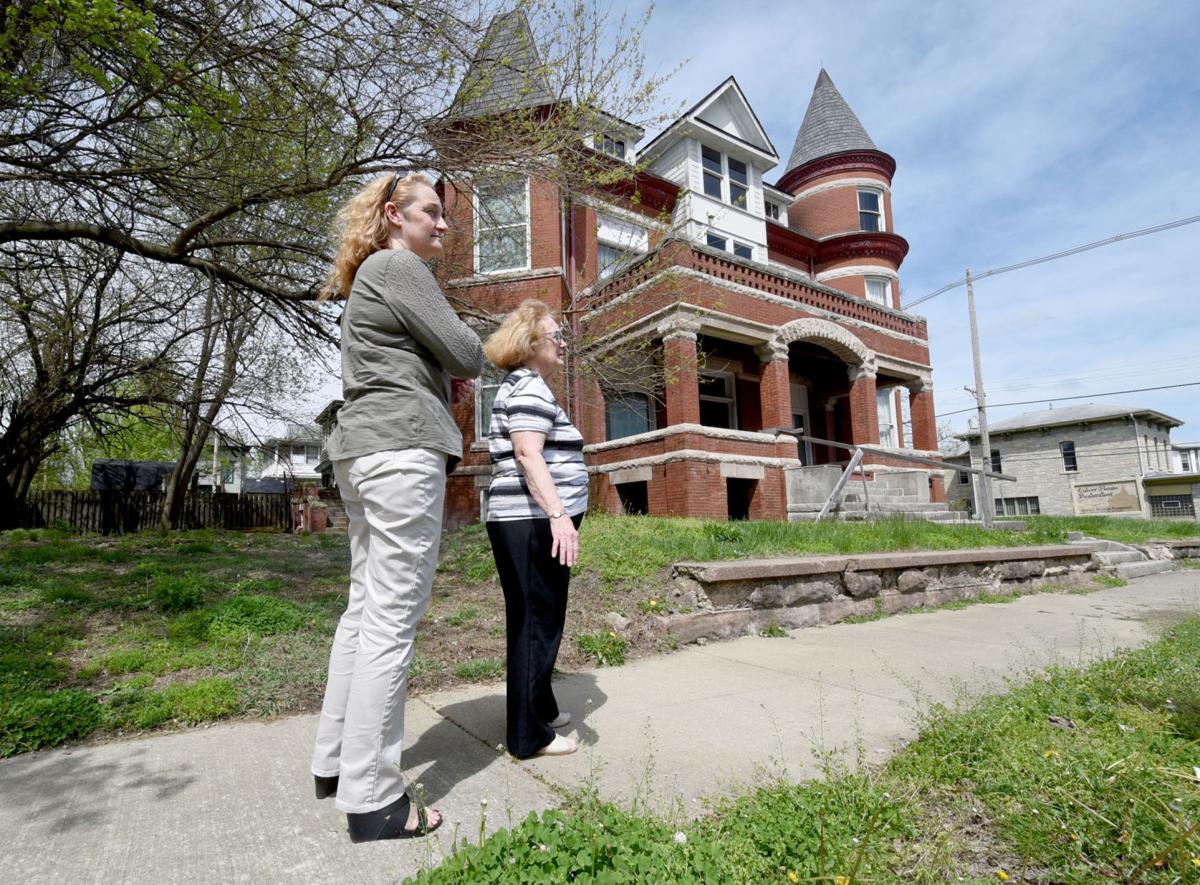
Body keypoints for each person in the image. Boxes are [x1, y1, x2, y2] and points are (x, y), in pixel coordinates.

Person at [311, 172, 484, 842]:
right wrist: (461, 357)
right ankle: (374, 796)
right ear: (393, 215)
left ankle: (334, 763)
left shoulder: (365, 283)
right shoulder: (399, 266)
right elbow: (467, 350)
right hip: (401, 450)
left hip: (363, 455)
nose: (443, 225)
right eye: (431, 213)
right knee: (391, 620)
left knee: (362, 612)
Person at [482, 300, 587, 759]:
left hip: (528, 522)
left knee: (539, 617)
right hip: (531, 523)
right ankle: (528, 736)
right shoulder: (529, 388)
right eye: (554, 335)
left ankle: (539, 704)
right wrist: (559, 515)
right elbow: (528, 455)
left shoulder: (527, 386)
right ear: (529, 344)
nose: (562, 341)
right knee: (536, 623)